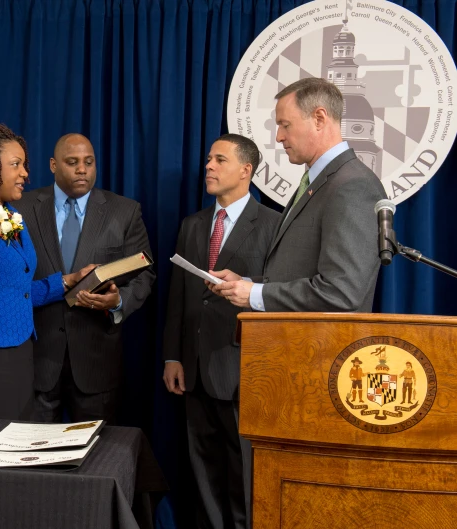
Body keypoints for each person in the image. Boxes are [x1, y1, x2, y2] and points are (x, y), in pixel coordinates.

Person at [162, 134, 280, 529]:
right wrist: (173, 355)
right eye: (208, 158)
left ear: (246, 170)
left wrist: (247, 283)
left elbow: (281, 289)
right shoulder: (193, 224)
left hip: (242, 371)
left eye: (220, 160)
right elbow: (179, 295)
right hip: (193, 370)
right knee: (203, 473)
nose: (208, 166)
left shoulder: (274, 225)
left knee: (242, 472)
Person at [0, 124, 93, 420]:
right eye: (15, 165)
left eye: (24, 165)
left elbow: (16, 289)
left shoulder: (10, 215)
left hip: (19, 351)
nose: (25, 174)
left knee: (12, 451)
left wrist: (67, 281)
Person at [211, 77, 387, 313]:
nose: (279, 137)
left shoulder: (353, 185)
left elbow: (341, 293)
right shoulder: (319, 181)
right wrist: (247, 284)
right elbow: (297, 273)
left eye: (285, 125)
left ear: (319, 119)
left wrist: (255, 294)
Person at [14, 133, 155, 423]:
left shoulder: (124, 211)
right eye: (73, 162)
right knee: (30, 459)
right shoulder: (21, 209)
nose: (82, 169)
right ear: (53, 165)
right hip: (36, 360)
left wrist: (118, 302)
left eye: (89, 162)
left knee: (96, 458)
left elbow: (144, 274)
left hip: (96, 361)